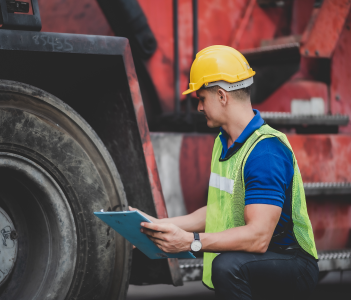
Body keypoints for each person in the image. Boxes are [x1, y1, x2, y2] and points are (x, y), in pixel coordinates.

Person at [130, 45, 319, 300]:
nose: (199, 107)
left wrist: (191, 242)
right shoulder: (223, 143)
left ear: (221, 96)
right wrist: (155, 225)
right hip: (261, 260)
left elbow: (259, 237)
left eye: (201, 98)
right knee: (230, 263)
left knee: (228, 265)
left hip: (292, 262)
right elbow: (217, 210)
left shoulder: (266, 152)